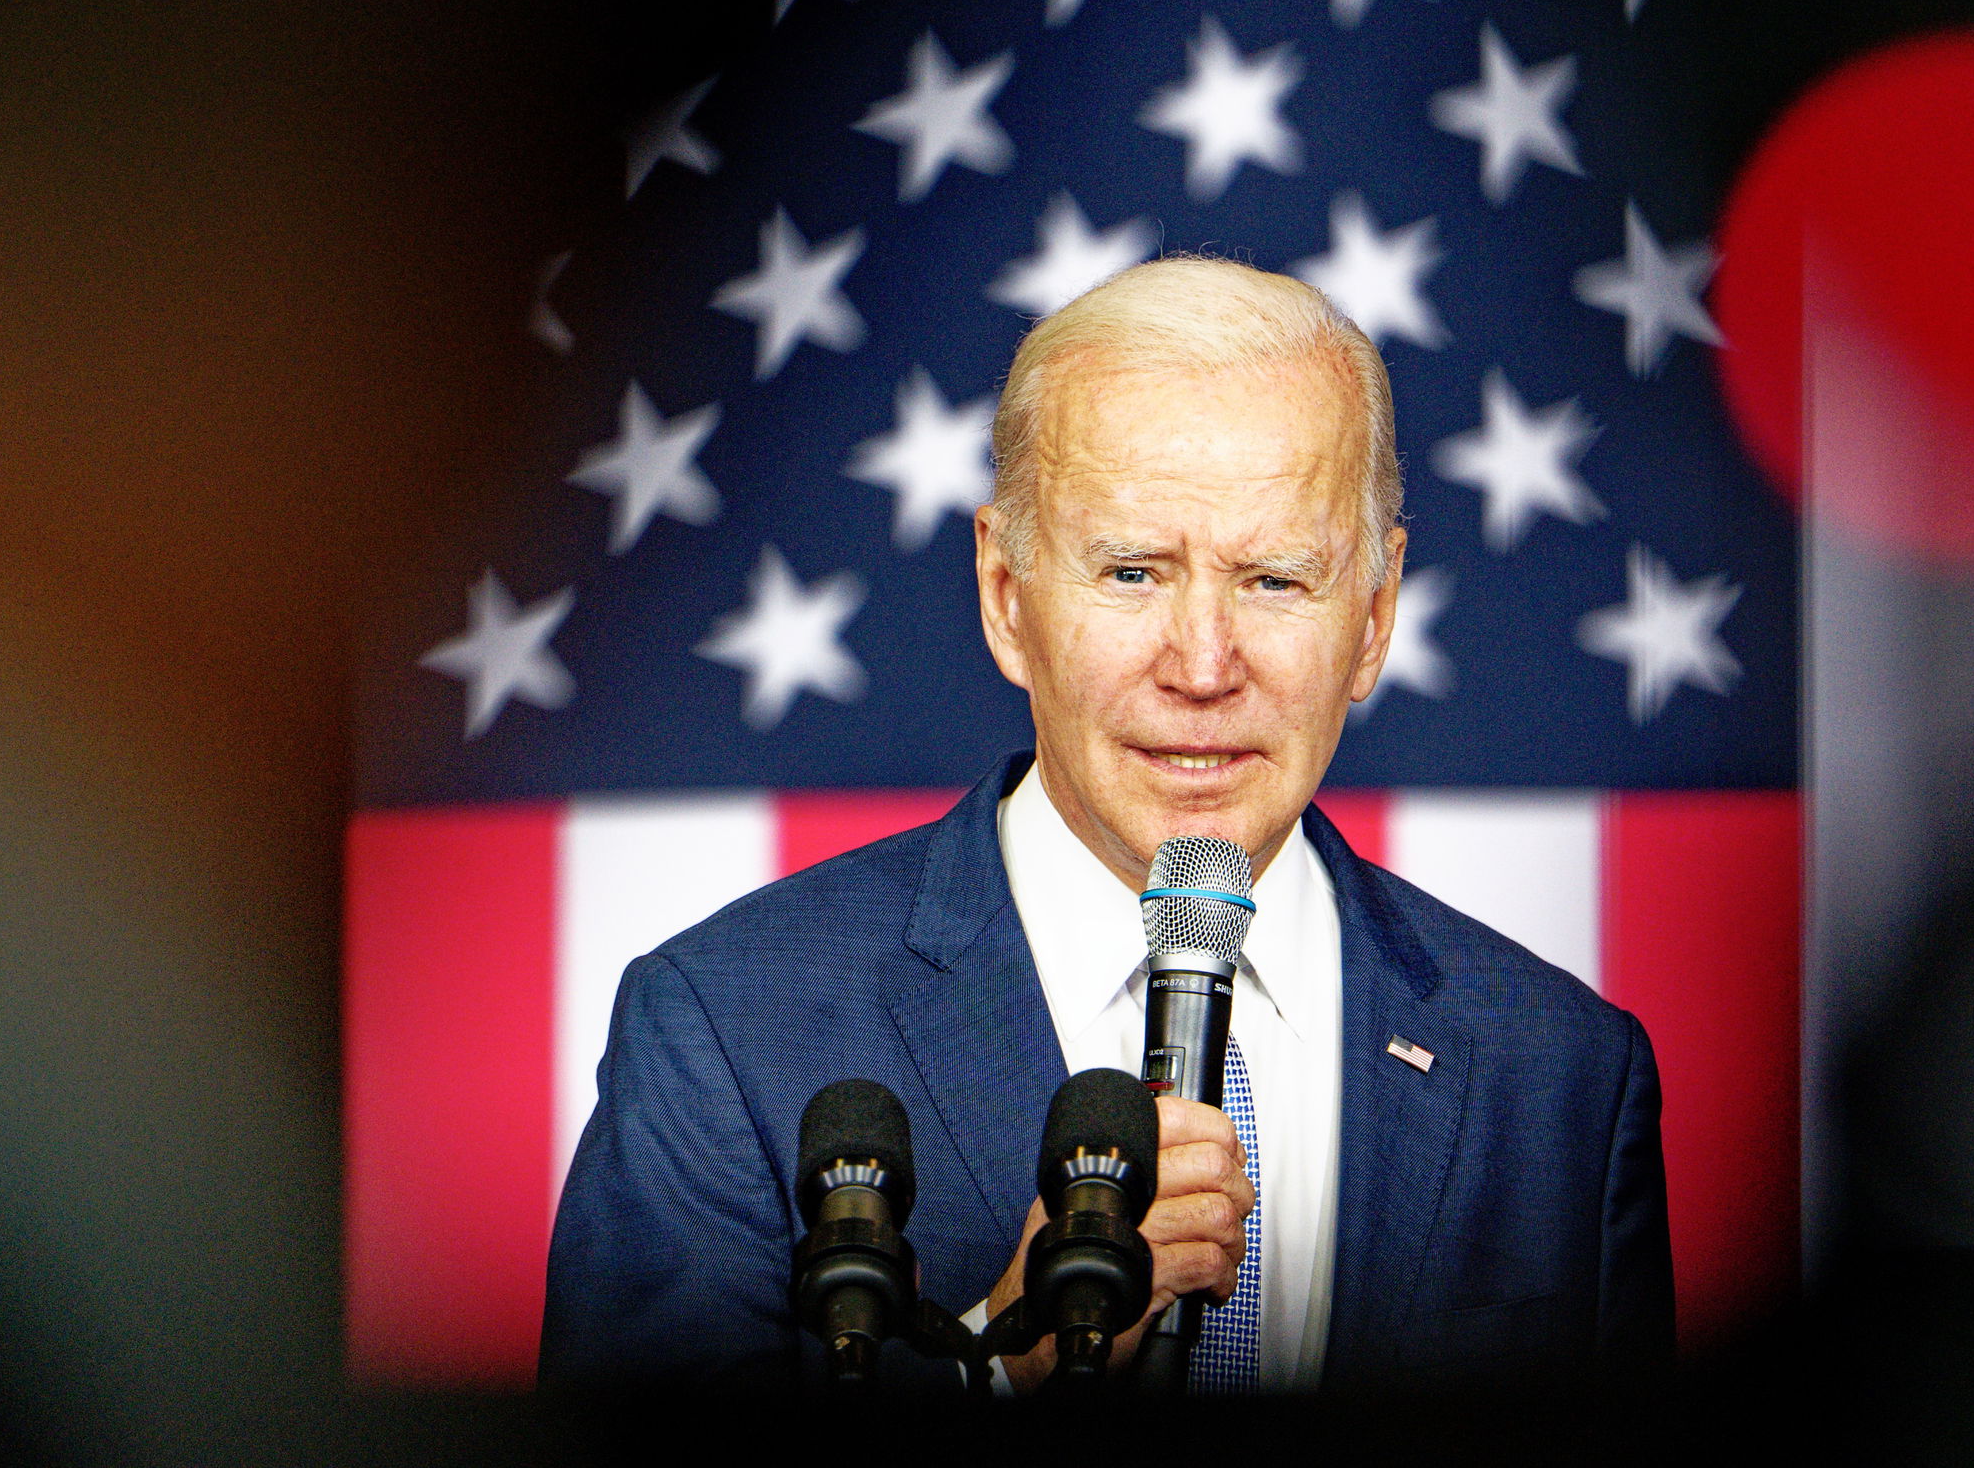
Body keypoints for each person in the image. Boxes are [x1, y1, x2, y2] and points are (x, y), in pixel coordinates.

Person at [541, 257, 1671, 1401]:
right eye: (1132, 572)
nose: (1204, 664)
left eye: (1275, 580)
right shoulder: (726, 1031)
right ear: (1006, 594)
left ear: (1373, 620)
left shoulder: (1562, 1075)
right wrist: (1001, 1365)